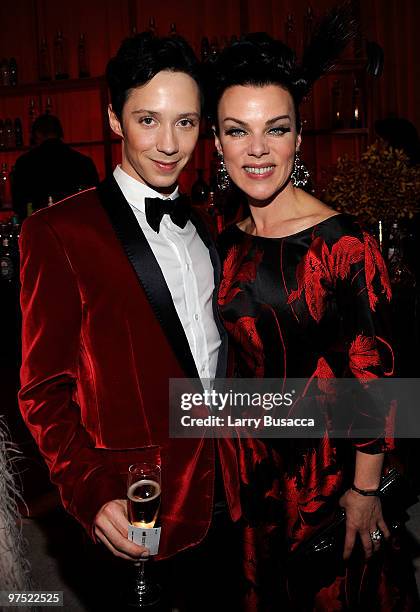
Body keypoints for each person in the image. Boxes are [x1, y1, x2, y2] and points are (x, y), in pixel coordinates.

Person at [18, 32, 242, 610]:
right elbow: (43, 392)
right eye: (149, 120)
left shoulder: (207, 228)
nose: (170, 145)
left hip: (229, 491)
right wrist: (91, 493)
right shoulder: (58, 234)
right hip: (140, 506)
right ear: (114, 119)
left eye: (187, 123)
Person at [207, 7, 419, 611]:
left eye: (275, 129)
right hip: (252, 476)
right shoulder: (226, 239)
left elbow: (379, 378)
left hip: (327, 482)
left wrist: (364, 490)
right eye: (236, 130)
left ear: (299, 136)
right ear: (216, 140)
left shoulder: (344, 244)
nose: (256, 150)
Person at [11, 113, 99, 221]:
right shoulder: (84, 162)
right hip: (75, 227)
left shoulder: (24, 163)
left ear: (37, 135)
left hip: (38, 228)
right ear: (60, 133)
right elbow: (95, 203)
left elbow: (18, 206)